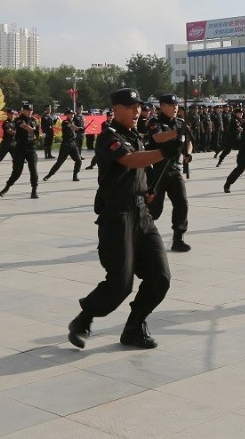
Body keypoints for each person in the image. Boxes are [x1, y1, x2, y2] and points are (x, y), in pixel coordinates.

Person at [67, 88, 172, 350]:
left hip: (142, 214)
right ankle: (83, 319)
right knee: (121, 283)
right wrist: (166, 151)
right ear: (115, 108)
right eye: (130, 106)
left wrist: (178, 136)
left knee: (160, 276)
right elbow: (130, 160)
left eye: (138, 106)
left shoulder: (135, 134)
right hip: (118, 216)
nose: (137, 111)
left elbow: (141, 168)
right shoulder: (108, 137)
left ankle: (134, 327)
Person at [145, 94, 193, 252]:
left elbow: (188, 141)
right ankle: (139, 233)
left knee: (182, 203)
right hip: (157, 169)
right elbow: (158, 138)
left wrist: (187, 153)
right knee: (155, 209)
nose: (175, 108)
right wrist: (176, 133)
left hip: (174, 169)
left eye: (177, 105)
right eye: (171, 105)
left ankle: (178, 238)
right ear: (162, 106)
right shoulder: (155, 122)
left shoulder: (180, 122)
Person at [0, 101, 40, 202]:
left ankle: (34, 190)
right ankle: (7, 187)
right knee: (17, 171)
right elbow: (26, 127)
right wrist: (34, 131)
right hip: (20, 148)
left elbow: (37, 133)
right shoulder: (18, 120)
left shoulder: (34, 121)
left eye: (31, 110)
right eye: (27, 110)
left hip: (31, 148)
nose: (29, 112)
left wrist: (38, 137)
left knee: (33, 170)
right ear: (23, 111)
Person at [44, 111, 84, 181]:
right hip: (66, 145)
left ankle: (75, 176)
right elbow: (71, 126)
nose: (72, 115)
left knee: (79, 161)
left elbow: (75, 130)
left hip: (73, 144)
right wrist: (78, 128)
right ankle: (49, 175)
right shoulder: (65, 122)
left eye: (72, 114)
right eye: (70, 114)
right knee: (59, 162)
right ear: (67, 115)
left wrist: (80, 131)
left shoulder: (74, 122)